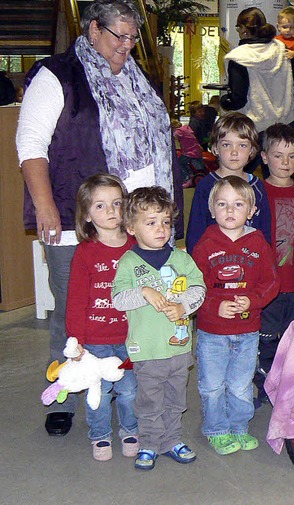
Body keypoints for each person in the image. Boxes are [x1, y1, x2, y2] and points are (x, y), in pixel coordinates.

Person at [16, 0, 182, 438]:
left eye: (133, 37)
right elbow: (30, 144)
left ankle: (127, 389)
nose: (127, 45)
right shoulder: (58, 75)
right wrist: (48, 206)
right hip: (78, 219)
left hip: (132, 224)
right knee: (75, 309)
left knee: (128, 307)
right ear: (93, 30)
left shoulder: (136, 77)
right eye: (118, 36)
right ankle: (66, 393)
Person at [112, 187, 205, 471]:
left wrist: (184, 307)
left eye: (165, 221)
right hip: (147, 350)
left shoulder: (182, 258)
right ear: (131, 227)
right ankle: (150, 443)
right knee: (150, 401)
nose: (161, 229)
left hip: (178, 348)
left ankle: (172, 439)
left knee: (176, 399)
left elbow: (199, 288)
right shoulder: (128, 262)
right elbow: (118, 300)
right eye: (150, 222)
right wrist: (144, 292)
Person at [192, 176, 279, 455]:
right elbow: (194, 287)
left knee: (241, 384)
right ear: (212, 209)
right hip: (212, 332)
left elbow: (271, 283)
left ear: (251, 211)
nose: (230, 211)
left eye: (238, 204)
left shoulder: (258, 243)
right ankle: (216, 428)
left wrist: (252, 301)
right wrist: (213, 305)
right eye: (222, 204)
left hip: (247, 330)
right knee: (213, 385)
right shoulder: (204, 245)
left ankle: (239, 426)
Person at [65, 174, 137, 461]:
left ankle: (131, 428)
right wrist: (76, 340)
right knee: (100, 392)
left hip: (131, 337)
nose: (111, 211)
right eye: (100, 206)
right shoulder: (85, 253)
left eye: (117, 203)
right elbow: (76, 300)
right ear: (86, 215)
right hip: (95, 341)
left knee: (130, 390)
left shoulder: (136, 246)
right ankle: (100, 435)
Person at [254, 123, 294, 407]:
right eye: (278, 156)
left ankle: (287, 385)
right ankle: (264, 381)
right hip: (266, 285)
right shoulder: (256, 192)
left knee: (292, 338)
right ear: (264, 157)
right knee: (266, 336)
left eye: (292, 156)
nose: (285, 163)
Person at [221, 6, 294, 173]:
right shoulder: (282, 50)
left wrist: (224, 101)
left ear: (243, 30)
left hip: (255, 129)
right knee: (280, 179)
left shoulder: (238, 57)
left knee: (238, 177)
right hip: (285, 125)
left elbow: (238, 98)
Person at [185, 112, 271, 254]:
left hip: (249, 260)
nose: (234, 152)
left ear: (252, 151)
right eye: (226, 145)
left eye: (242, 145)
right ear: (215, 148)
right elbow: (196, 230)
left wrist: (266, 258)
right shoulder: (206, 186)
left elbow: (265, 230)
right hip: (214, 260)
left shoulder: (258, 186)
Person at [171, 119, 205, 188]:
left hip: (189, 152)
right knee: (192, 164)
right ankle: (191, 174)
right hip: (197, 150)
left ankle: (187, 178)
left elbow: (173, 136)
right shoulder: (186, 128)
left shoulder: (179, 131)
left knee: (179, 163)